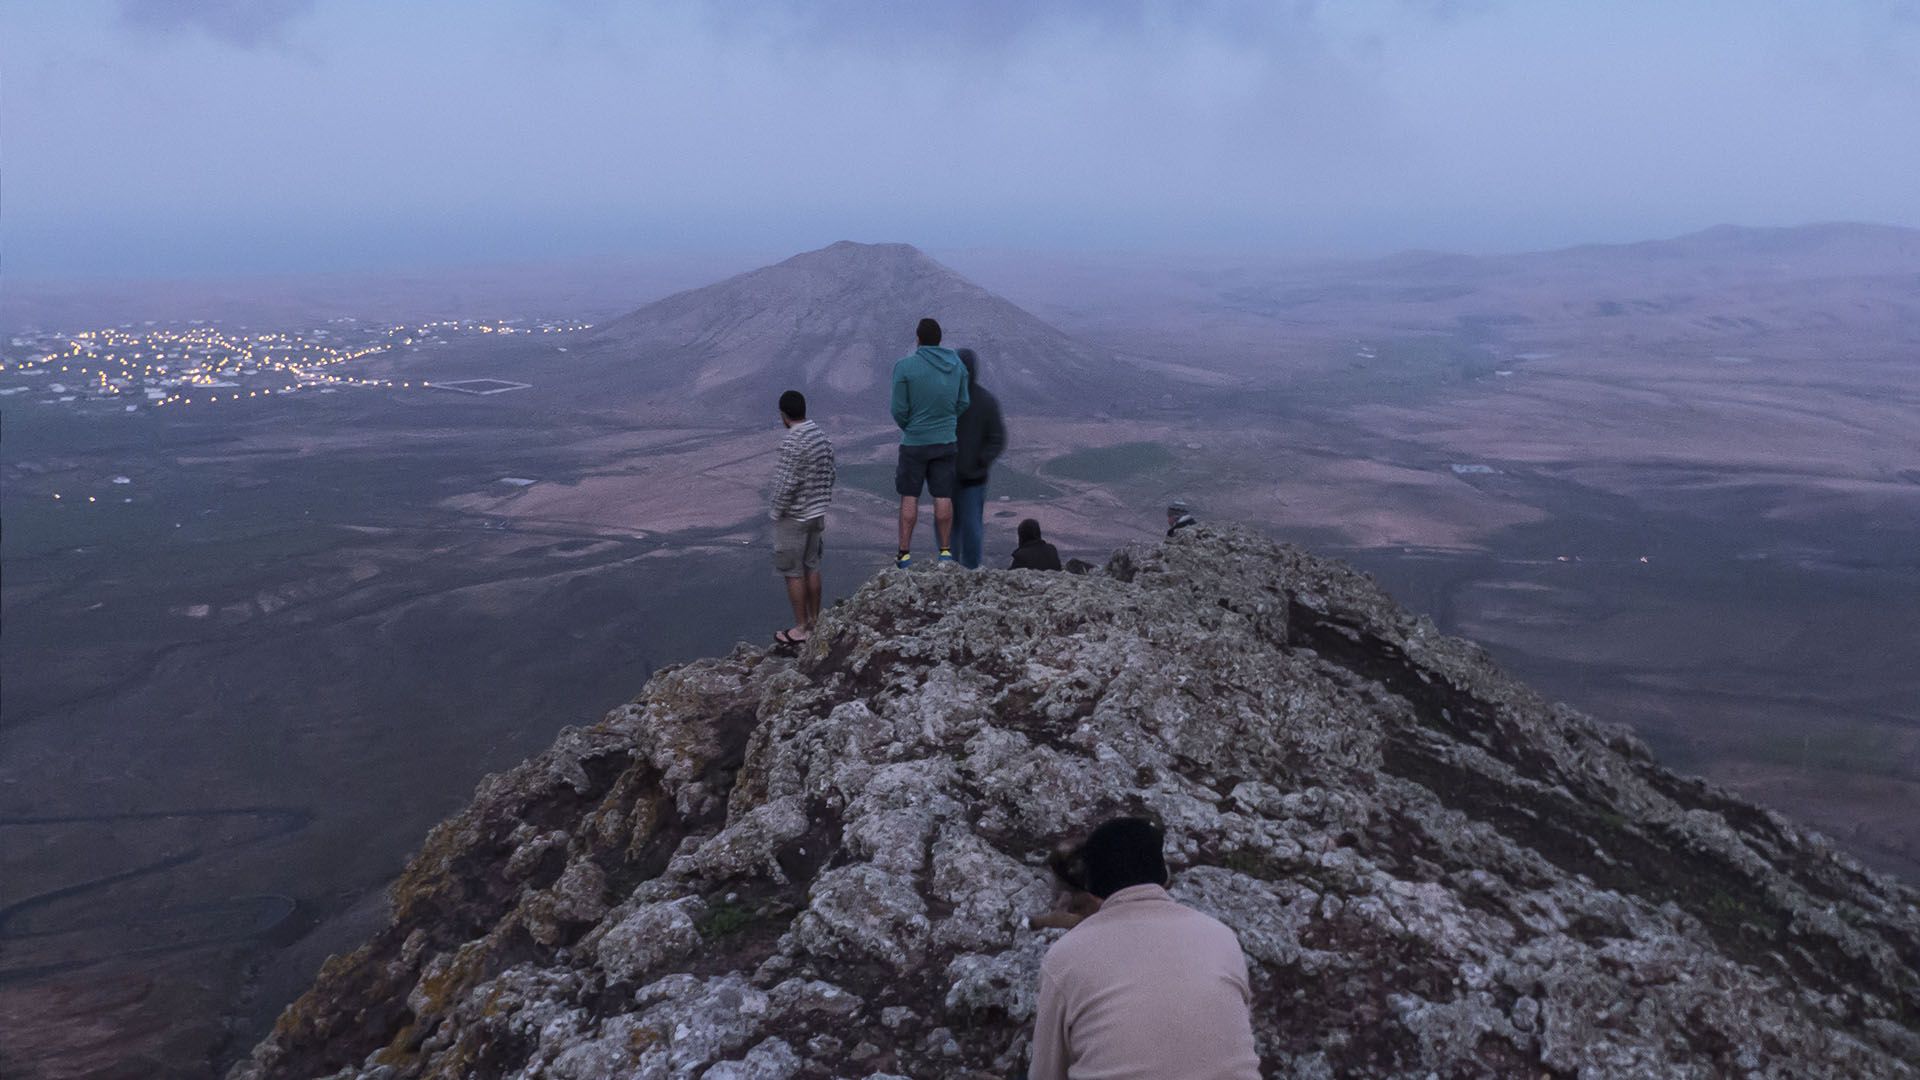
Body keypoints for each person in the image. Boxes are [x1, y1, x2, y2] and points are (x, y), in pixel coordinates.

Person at [1029, 818, 1261, 1080]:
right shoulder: (1222, 937)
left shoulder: (1065, 957)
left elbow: (1046, 1072)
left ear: (1092, 884)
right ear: (1163, 874)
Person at [890, 318, 970, 568]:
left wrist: (912, 427)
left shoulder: (904, 367)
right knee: (943, 495)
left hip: (914, 442)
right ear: (940, 340)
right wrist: (946, 421)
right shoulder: (956, 365)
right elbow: (963, 401)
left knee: (909, 496)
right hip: (945, 441)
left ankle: (904, 554)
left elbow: (898, 409)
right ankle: (945, 552)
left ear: (918, 339)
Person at [768, 389, 834, 647]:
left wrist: (776, 512)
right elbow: (831, 469)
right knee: (812, 565)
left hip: (795, 516)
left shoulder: (792, 441)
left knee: (793, 571)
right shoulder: (820, 434)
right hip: (817, 511)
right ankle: (815, 622)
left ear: (784, 415)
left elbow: (786, 483)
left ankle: (800, 629)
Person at [951, 347, 1006, 569]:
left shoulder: (985, 402)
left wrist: (981, 460)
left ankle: (971, 572)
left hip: (973, 480)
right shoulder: (946, 400)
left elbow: (998, 438)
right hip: (947, 478)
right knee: (947, 528)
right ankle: (949, 570)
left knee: (971, 530)